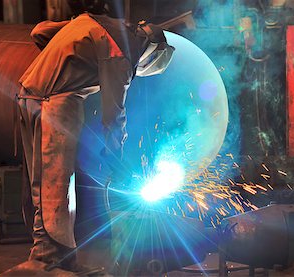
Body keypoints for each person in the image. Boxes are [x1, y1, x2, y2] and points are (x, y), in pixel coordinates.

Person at [17, 1, 174, 272]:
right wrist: (118, 160)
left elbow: (39, 32)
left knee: (41, 184)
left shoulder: (92, 23)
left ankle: (57, 258)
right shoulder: (122, 53)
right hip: (54, 101)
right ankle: (49, 261)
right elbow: (114, 115)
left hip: (28, 92)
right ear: (148, 54)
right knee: (55, 186)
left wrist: (65, 58)